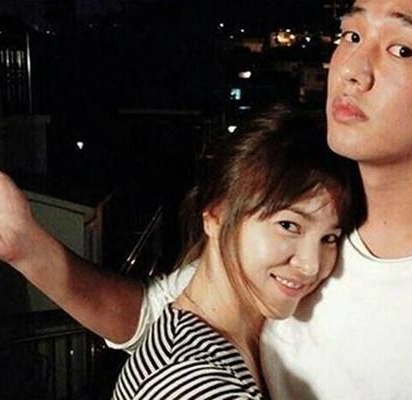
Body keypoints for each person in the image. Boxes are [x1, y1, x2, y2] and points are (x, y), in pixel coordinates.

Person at [0, 0, 412, 398]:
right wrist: (27, 248)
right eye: (352, 33)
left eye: (402, 48)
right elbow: (165, 322)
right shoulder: (309, 218)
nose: (351, 68)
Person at [110, 110, 359, 399]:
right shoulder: (188, 380)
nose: (311, 265)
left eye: (329, 238)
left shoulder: (236, 341)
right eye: (288, 226)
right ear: (216, 215)